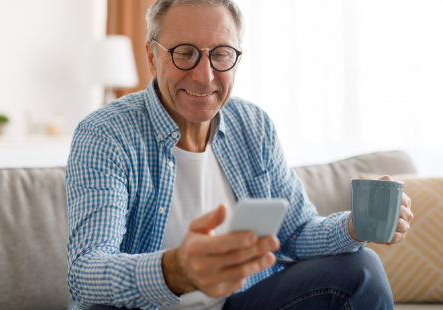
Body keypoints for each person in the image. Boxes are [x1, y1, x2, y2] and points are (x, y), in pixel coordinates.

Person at [65, 0, 414, 309]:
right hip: (143, 307)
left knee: (361, 268)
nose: (205, 76)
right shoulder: (105, 134)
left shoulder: (254, 125)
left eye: (220, 54)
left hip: (239, 301)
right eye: (184, 53)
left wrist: (354, 226)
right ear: (152, 57)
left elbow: (297, 232)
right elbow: (86, 271)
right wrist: (176, 270)